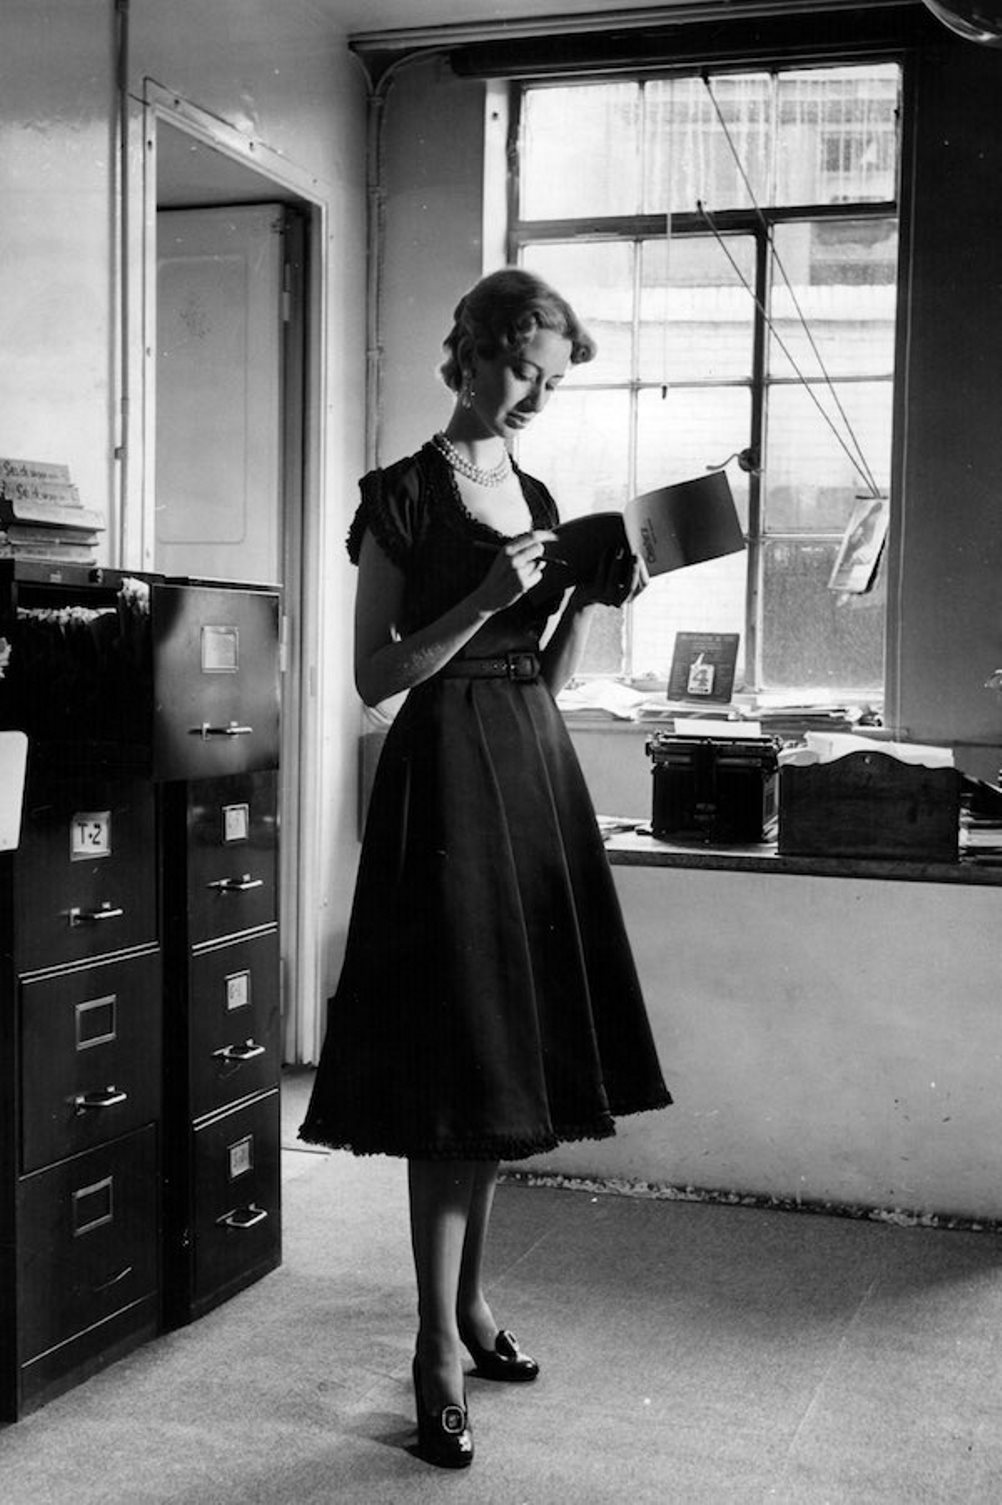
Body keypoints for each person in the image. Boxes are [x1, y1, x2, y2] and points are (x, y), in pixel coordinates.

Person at [299, 267, 671, 1470]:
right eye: (520, 368)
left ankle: (469, 1303)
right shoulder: (400, 496)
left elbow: (539, 671)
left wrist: (587, 604)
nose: (534, 396)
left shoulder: (541, 493)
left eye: (552, 381)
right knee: (452, 1063)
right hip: (446, 770)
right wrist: (482, 595)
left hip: (529, 762)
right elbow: (375, 677)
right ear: (465, 354)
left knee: (504, 1051)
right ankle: (433, 1349)